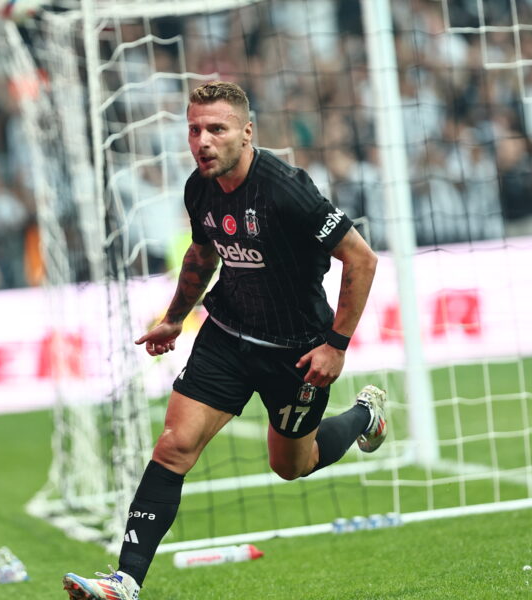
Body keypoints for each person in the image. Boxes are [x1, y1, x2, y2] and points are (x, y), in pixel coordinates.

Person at [62, 81, 389, 600]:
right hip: (227, 335)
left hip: (297, 350)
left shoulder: (287, 190)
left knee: (291, 465)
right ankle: (125, 581)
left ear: (246, 132)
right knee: (174, 446)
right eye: (194, 130)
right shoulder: (199, 187)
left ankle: (365, 415)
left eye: (216, 129)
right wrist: (175, 318)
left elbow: (362, 259)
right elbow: (202, 254)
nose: (203, 141)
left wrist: (336, 345)